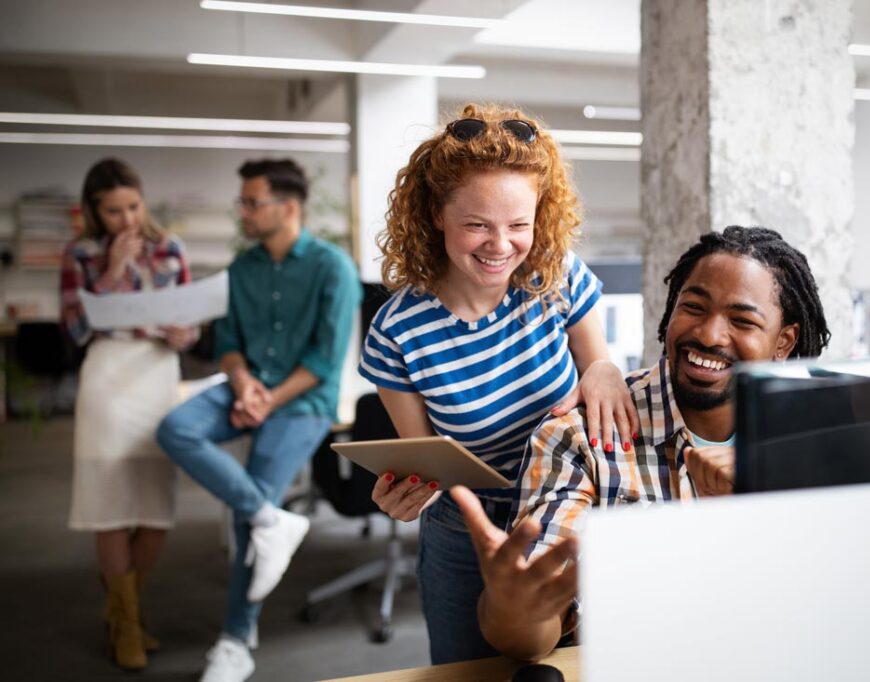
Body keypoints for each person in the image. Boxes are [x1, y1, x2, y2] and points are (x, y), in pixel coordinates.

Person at [451, 225, 833, 661]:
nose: (709, 335)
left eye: (742, 321)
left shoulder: (813, 439)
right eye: (693, 307)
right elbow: (537, 624)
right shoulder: (580, 435)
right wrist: (515, 610)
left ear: (783, 341)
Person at [358, 103, 639, 664]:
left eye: (519, 225)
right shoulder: (397, 331)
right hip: (468, 528)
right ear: (437, 215)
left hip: (570, 506)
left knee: (587, 665)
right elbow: (427, 464)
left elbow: (597, 370)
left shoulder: (553, 277)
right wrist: (406, 491)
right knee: (471, 672)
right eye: (477, 225)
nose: (501, 245)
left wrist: (605, 371)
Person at [155, 158, 361, 682]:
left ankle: (235, 641)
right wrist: (244, 383)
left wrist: (268, 399)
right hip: (246, 389)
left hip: (302, 402)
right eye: (243, 201)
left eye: (252, 201)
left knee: (252, 508)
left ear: (288, 207)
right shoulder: (242, 270)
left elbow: (323, 359)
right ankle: (274, 521)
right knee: (176, 428)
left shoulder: (331, 267)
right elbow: (227, 346)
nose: (243, 211)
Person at [62, 157, 198, 671]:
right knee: (112, 506)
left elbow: (188, 318)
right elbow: (74, 331)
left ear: (143, 200)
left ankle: (122, 610)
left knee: (156, 509)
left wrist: (189, 333)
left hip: (158, 375)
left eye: (133, 207)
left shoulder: (171, 247)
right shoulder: (80, 253)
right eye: (114, 212)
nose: (126, 220)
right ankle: (128, 624)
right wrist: (113, 271)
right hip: (107, 380)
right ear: (96, 213)